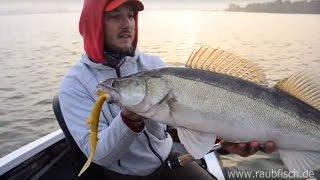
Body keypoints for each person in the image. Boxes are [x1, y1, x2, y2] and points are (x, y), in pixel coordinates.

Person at [59, 0, 276, 179]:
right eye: (114, 15)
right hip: (122, 174)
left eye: (131, 14)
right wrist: (129, 120)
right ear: (93, 23)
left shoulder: (153, 65)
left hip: (168, 161)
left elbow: (180, 121)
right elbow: (98, 155)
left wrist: (226, 141)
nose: (127, 24)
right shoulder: (74, 84)